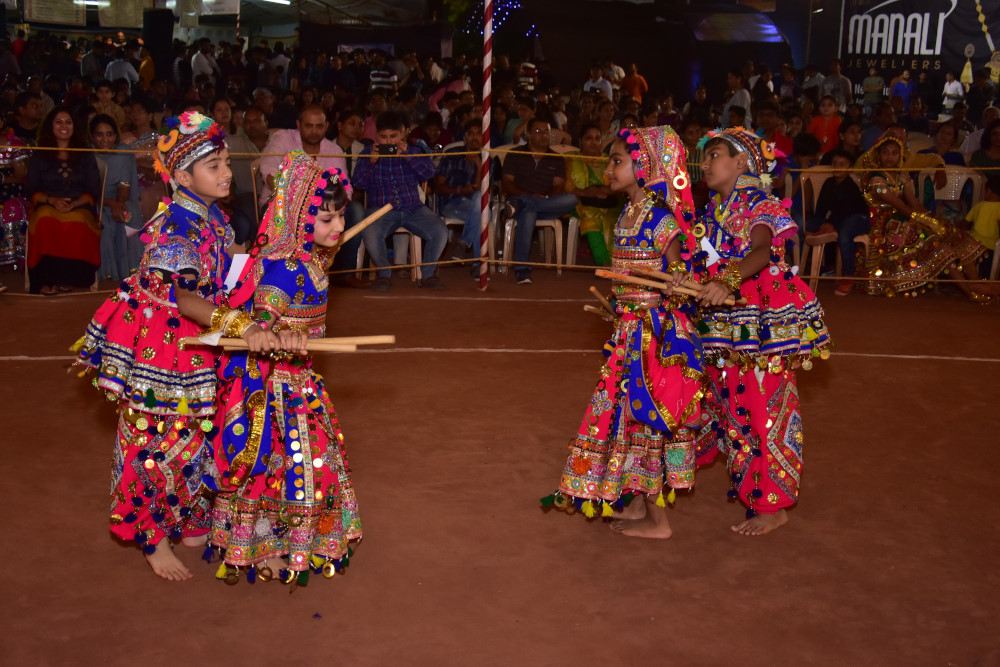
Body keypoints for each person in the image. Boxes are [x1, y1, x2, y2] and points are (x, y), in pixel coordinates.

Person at [74, 111, 278, 581]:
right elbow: (185, 298)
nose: (227, 172)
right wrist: (242, 327)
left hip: (199, 340)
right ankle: (151, 536)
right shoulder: (177, 228)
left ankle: (188, 519)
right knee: (156, 439)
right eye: (214, 166)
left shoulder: (214, 218)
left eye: (227, 162)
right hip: (162, 348)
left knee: (201, 432)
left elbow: (222, 282)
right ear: (183, 177)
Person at [542, 124, 705, 540]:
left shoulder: (659, 216)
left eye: (618, 161)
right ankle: (638, 502)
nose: (609, 168)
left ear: (644, 166)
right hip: (630, 332)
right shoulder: (629, 213)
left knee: (647, 417)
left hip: (652, 338)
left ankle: (659, 522)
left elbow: (681, 269)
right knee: (628, 419)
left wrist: (671, 285)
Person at [208, 151, 362, 585]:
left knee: (300, 466)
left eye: (340, 217)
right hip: (276, 391)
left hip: (302, 381)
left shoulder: (313, 260)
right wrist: (270, 334)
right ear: (299, 217)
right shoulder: (289, 269)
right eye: (325, 218)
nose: (337, 227)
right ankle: (264, 549)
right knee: (289, 465)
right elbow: (263, 317)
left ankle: (275, 543)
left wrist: (300, 339)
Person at [694, 127, 832, 535]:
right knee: (729, 399)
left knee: (764, 407)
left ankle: (774, 504)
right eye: (704, 156)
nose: (705, 163)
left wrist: (728, 280)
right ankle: (751, 485)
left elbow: (762, 249)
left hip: (761, 321)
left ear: (742, 163)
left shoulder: (759, 203)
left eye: (714, 154)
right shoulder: (711, 212)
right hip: (725, 321)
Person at [859, 133, 994, 302]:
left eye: (894, 153)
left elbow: (913, 202)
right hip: (886, 222)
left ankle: (975, 283)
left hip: (905, 215)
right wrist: (922, 219)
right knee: (936, 245)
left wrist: (932, 218)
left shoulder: (902, 174)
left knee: (951, 234)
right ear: (878, 155)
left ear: (899, 156)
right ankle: (969, 291)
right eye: (885, 152)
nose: (889, 157)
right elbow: (898, 205)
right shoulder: (875, 178)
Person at [353, 110, 448, 291]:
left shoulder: (414, 151)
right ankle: (384, 274)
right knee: (371, 232)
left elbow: (429, 173)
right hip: (380, 210)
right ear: (376, 136)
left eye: (393, 136)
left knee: (440, 230)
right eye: (383, 137)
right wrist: (370, 163)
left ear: (403, 134)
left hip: (413, 208)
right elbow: (357, 184)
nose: (388, 142)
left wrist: (408, 157)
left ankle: (427, 275)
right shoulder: (367, 153)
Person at [24, 106, 102, 294]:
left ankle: (71, 279)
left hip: (80, 205)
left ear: (75, 126)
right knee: (45, 221)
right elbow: (31, 189)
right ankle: (46, 280)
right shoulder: (40, 153)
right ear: (50, 126)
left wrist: (74, 204)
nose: (64, 126)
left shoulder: (85, 154)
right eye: (58, 122)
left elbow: (94, 189)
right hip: (48, 204)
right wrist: (52, 200)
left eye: (68, 122)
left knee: (78, 222)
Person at [500, 117, 578, 284]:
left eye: (547, 132)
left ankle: (524, 204)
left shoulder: (556, 158)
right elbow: (506, 183)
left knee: (571, 198)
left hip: (545, 203)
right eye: (538, 131)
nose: (544, 135)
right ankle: (522, 270)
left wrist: (542, 198)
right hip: (522, 201)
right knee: (529, 213)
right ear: (528, 135)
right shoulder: (516, 154)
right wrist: (528, 195)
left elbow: (558, 186)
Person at [802, 149, 871, 295]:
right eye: (835, 164)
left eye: (842, 164)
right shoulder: (828, 183)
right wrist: (825, 222)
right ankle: (829, 229)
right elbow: (820, 208)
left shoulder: (851, 187)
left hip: (855, 218)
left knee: (845, 234)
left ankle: (847, 275)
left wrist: (829, 223)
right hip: (831, 220)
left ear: (850, 168)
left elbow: (846, 211)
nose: (838, 167)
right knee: (808, 224)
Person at [258, 105, 347, 209]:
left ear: (326, 126)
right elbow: (268, 166)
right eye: (309, 126)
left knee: (355, 209)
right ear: (298, 125)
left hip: (322, 211)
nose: (314, 131)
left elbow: (344, 187)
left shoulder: (334, 151)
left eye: (319, 126)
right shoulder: (283, 138)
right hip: (279, 206)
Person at [91, 114, 143, 281]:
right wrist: (109, 203)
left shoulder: (123, 152)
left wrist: (119, 204)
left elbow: (125, 185)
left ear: (115, 135)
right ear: (92, 136)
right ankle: (106, 273)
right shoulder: (86, 153)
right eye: (99, 134)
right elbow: (88, 190)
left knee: (129, 214)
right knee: (103, 221)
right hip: (94, 200)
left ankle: (131, 271)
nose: (105, 139)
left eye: (109, 134)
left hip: (119, 199)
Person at [434, 119, 485, 273]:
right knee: (484, 215)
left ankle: (463, 242)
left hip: (475, 204)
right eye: (471, 134)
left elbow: (479, 189)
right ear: (464, 138)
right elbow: (438, 186)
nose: (475, 138)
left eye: (479, 134)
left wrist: (479, 167)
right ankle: (478, 265)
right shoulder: (452, 157)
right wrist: (460, 190)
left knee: (479, 203)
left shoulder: (488, 160)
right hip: (452, 203)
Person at [564, 123, 616, 265]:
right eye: (589, 138)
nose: (594, 142)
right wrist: (588, 194)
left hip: (608, 201)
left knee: (621, 214)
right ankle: (604, 262)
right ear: (580, 141)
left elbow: (617, 186)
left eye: (597, 138)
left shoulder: (609, 160)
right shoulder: (571, 158)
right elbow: (568, 186)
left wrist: (600, 191)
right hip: (580, 203)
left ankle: (618, 261)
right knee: (589, 214)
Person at [960, 175, 1000, 275]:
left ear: (989, 191)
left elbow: (965, 223)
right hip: (991, 247)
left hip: (974, 245)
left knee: (969, 266)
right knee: (987, 271)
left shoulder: (979, 205)